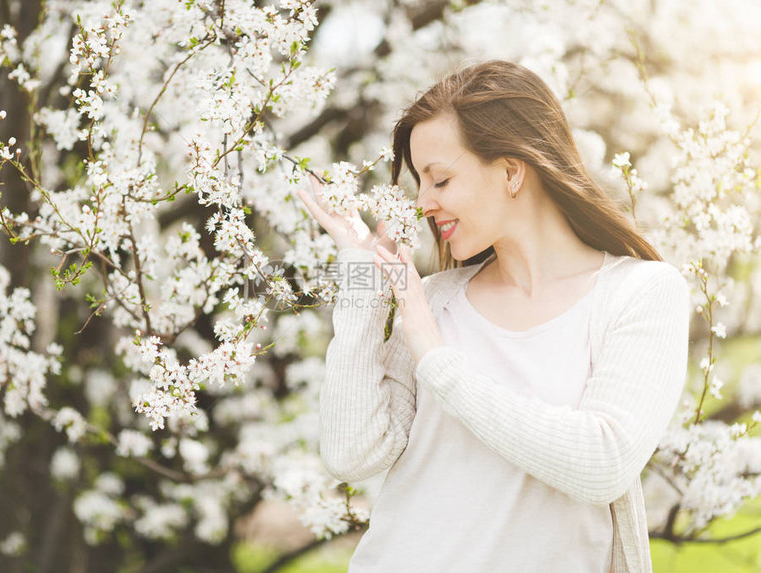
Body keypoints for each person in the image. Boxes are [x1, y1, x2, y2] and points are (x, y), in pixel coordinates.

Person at [295, 60, 690, 573]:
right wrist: (362, 279)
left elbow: (603, 463)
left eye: (440, 179)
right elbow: (353, 454)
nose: (422, 204)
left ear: (510, 171)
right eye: (419, 183)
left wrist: (436, 359)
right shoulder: (435, 300)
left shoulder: (640, 294)